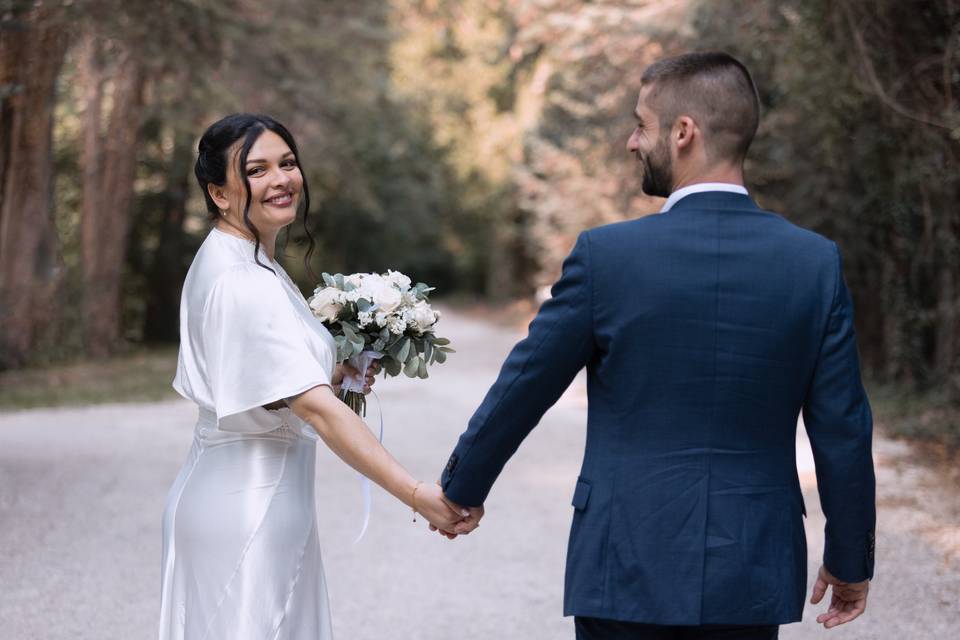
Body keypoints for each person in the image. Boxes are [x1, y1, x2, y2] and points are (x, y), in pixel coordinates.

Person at [438, 52, 876, 639]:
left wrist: (460, 489)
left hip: (625, 558)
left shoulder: (606, 257)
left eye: (641, 125)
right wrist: (850, 560)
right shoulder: (813, 264)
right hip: (747, 567)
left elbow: (525, 385)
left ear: (683, 132)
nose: (630, 142)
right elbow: (843, 428)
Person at [159, 113, 470, 639]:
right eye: (256, 170)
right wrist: (418, 495)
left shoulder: (247, 259)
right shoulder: (243, 281)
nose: (281, 179)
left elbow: (266, 379)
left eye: (287, 163)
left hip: (243, 499)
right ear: (219, 192)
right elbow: (316, 410)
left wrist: (334, 369)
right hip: (249, 512)